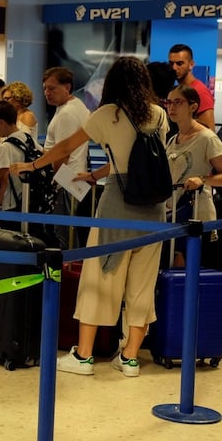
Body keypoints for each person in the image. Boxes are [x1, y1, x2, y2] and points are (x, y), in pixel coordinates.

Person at [11, 56, 169, 378]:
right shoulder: (158, 114)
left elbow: (65, 147)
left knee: (99, 279)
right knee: (141, 286)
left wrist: (31, 166)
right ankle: (130, 358)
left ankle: (84, 357)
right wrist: (95, 174)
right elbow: (140, 166)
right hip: (154, 212)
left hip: (116, 209)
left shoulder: (107, 115)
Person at [163, 85, 222, 266]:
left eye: (178, 102)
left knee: (187, 272)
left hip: (196, 213)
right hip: (172, 213)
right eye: (169, 103)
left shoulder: (207, 138)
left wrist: (202, 180)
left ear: (193, 107)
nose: (172, 107)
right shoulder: (173, 139)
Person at [42, 67, 91, 249]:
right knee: (70, 232)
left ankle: (66, 274)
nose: (47, 93)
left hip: (66, 180)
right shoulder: (77, 107)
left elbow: (63, 153)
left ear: (67, 87)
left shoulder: (67, 114)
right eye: (45, 88)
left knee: (63, 234)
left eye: (52, 88)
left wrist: (54, 182)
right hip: (74, 179)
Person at [0, 100, 34, 230]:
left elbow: (3, 177)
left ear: (1, 122)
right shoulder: (28, 138)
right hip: (28, 199)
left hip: (11, 203)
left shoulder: (5, 147)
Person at [168, 43, 215, 128]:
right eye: (171, 64)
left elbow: (209, 132)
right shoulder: (177, 91)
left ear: (191, 64)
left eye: (180, 63)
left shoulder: (200, 91)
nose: (174, 68)